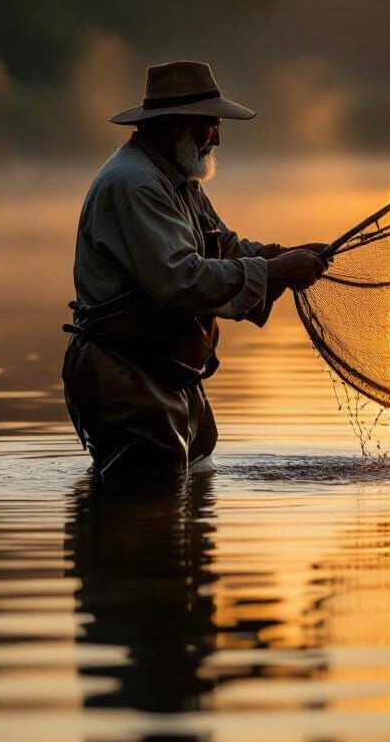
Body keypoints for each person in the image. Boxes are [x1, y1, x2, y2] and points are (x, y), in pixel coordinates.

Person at [62, 60, 326, 476]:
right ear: (171, 125)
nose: (217, 137)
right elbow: (181, 280)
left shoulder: (178, 181)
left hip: (169, 375)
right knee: (144, 503)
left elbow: (223, 247)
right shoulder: (135, 185)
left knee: (195, 477)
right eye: (209, 124)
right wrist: (276, 272)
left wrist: (282, 254)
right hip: (124, 378)